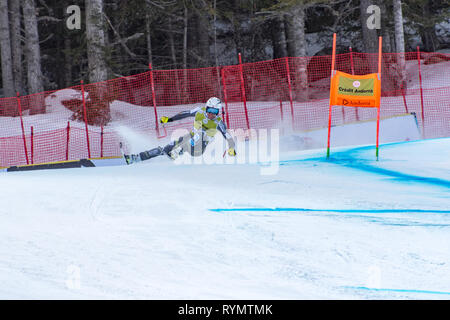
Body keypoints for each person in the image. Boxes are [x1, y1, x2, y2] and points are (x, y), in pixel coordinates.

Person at [123, 97, 236, 164]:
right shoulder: (200, 111)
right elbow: (184, 114)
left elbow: (228, 136)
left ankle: (179, 150)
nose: (211, 114)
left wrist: (231, 148)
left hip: (199, 147)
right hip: (190, 138)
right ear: (206, 108)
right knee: (165, 149)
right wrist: (169, 119)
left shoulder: (218, 122)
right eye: (210, 110)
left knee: (201, 133)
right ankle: (135, 158)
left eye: (215, 112)